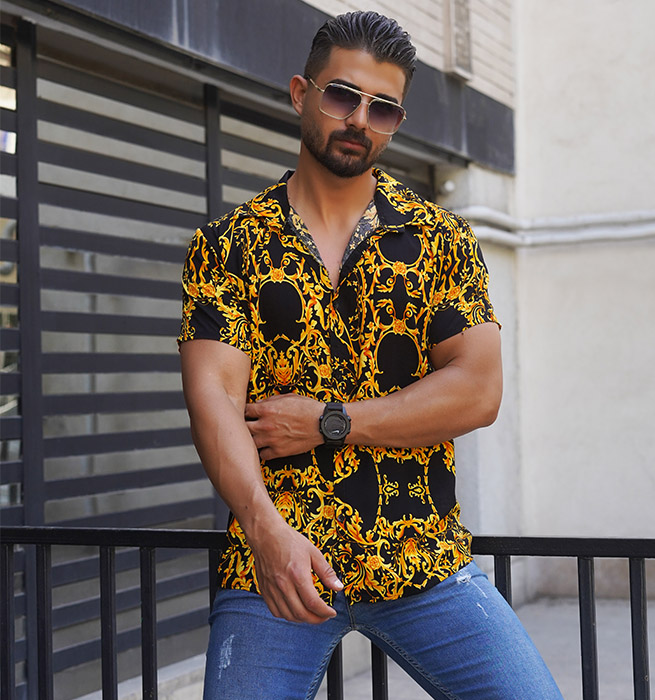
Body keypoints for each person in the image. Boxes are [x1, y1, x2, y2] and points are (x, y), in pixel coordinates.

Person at [179, 10, 563, 700]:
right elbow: (214, 400)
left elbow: (478, 391)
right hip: (276, 565)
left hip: (422, 560)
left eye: (382, 108)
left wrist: (329, 421)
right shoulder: (229, 245)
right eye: (342, 96)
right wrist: (265, 533)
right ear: (301, 93)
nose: (360, 119)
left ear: (397, 123)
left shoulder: (439, 240)